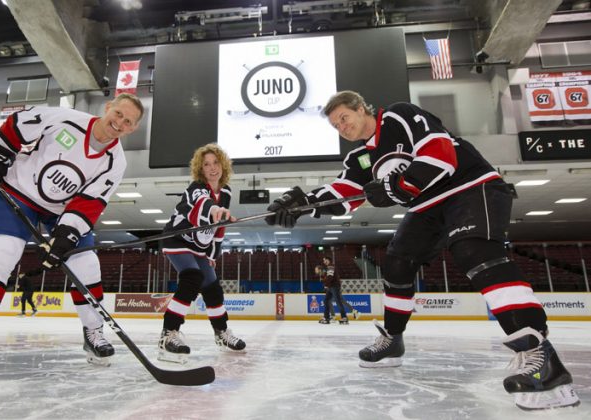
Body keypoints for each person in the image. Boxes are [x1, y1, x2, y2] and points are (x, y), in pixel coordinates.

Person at [264, 90, 579, 410]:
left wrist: (396, 187)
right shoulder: (359, 158)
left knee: (473, 252)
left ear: (362, 108)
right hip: (427, 208)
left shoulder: (398, 117)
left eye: (344, 118)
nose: (342, 127)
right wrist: (303, 202)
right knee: (397, 264)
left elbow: (440, 153)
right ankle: (392, 340)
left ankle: (540, 354)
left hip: (470, 188)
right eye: (335, 126)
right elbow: (347, 192)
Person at [0, 93, 144, 380]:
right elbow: (18, 124)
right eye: (118, 114)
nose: (120, 123)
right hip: (18, 192)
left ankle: (93, 332)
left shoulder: (115, 163)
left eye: (128, 122)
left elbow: (89, 203)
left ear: (132, 129)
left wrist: (65, 236)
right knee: (0, 254)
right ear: (108, 108)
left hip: (62, 211)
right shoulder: (65, 119)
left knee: (86, 263)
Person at [158, 143, 246, 364]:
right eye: (206, 164)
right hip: (178, 238)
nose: (212, 168)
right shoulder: (196, 187)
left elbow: (218, 230)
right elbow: (202, 205)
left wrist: (212, 256)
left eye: (216, 162)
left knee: (212, 287)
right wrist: (217, 212)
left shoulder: (225, 191)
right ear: (201, 168)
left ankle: (222, 334)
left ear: (223, 165)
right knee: (192, 277)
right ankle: (168, 333)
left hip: (199, 247)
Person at [318, 257, 349, 324]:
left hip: (334, 286)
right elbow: (329, 277)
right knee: (326, 300)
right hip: (331, 286)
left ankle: (344, 318)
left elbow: (330, 277)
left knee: (338, 301)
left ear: (328, 260)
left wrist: (324, 281)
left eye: (324, 260)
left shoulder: (331, 267)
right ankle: (326, 317)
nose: (324, 262)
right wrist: (324, 279)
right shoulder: (329, 267)